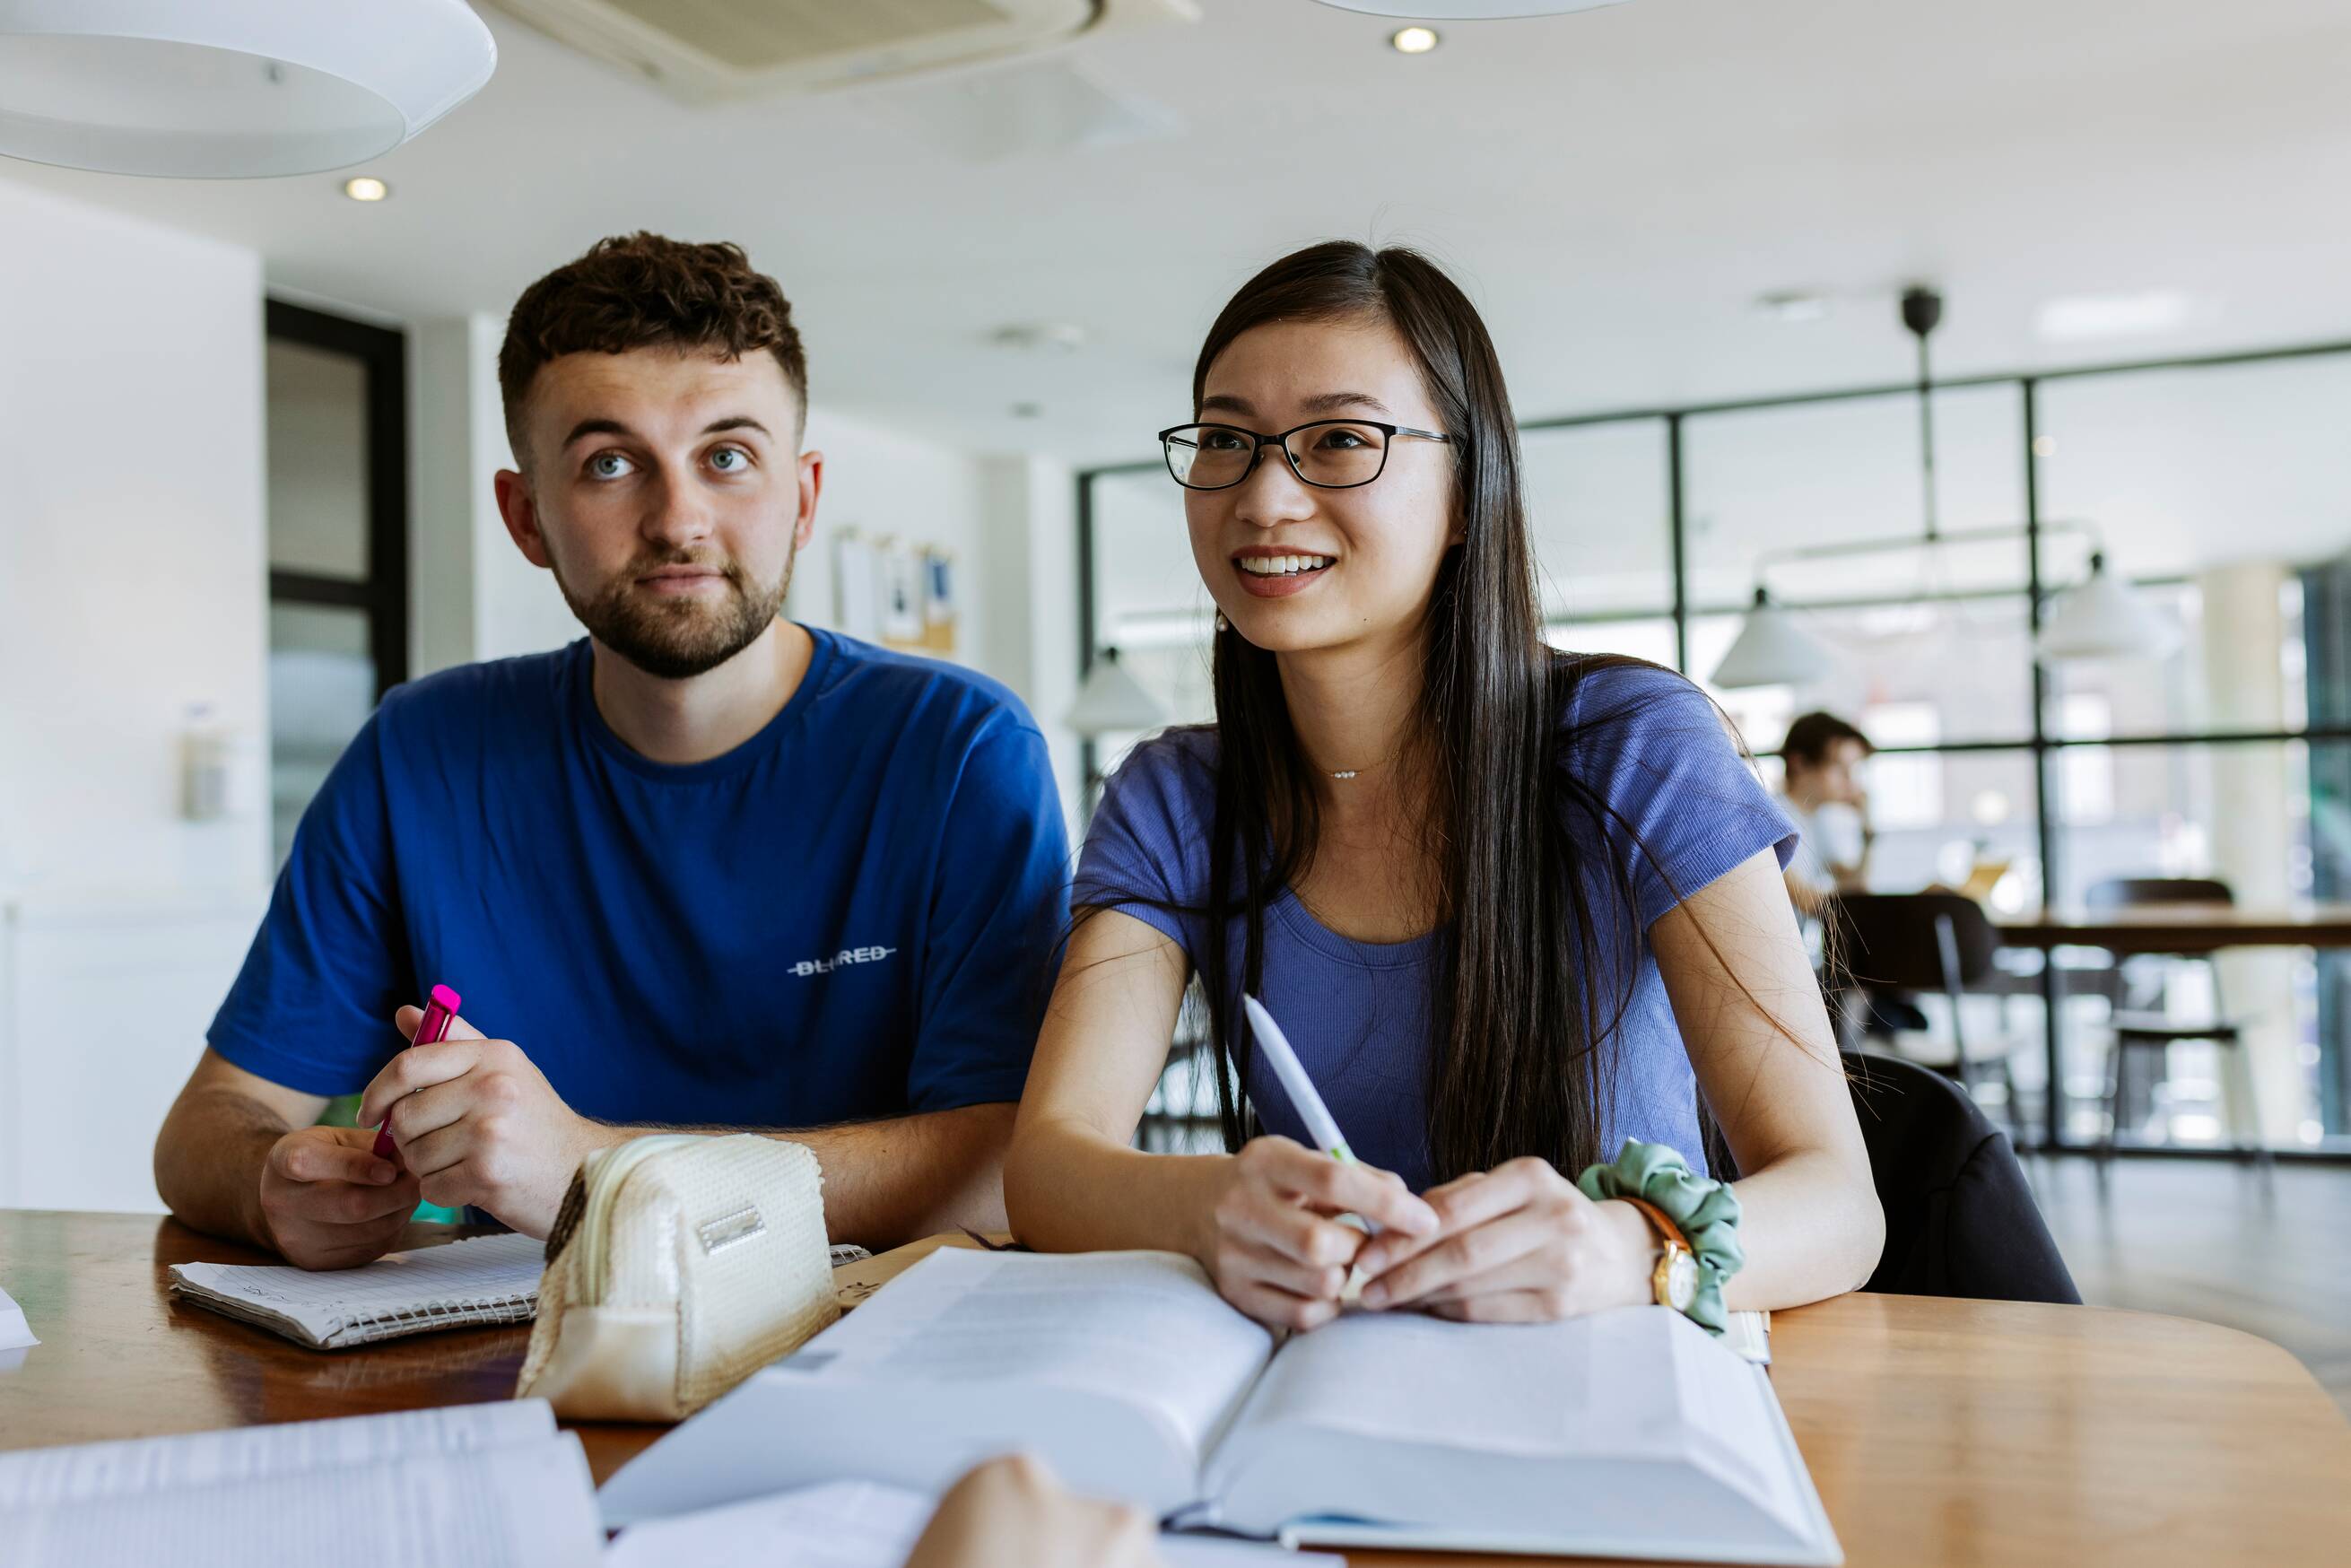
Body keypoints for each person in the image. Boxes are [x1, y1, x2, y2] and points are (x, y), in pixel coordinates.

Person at [1004, 241, 1881, 1330]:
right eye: (1226, 440)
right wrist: (1205, 1202)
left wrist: (1622, 1248)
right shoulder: (1176, 794)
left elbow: (1838, 1202)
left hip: (1616, 1381)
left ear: (1466, 493)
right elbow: (1046, 1165)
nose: (1264, 494)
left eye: (1337, 440)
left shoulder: (1633, 746)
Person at [155, 234, 1068, 1268]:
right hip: (503, 1373)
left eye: (727, 456)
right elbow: (208, 1124)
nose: (678, 517)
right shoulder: (419, 754)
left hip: (859, 1354)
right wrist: (273, 1182)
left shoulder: (957, 752)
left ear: (804, 497)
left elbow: (999, 1163)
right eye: (609, 463)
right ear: (525, 515)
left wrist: (599, 1168)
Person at [1776, 710, 1876, 913]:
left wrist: (1867, 829)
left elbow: (1854, 886)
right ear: (1800, 764)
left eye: (1853, 769)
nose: (1850, 780)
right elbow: (1809, 902)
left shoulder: (1816, 821)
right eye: (1839, 767)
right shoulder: (1773, 819)